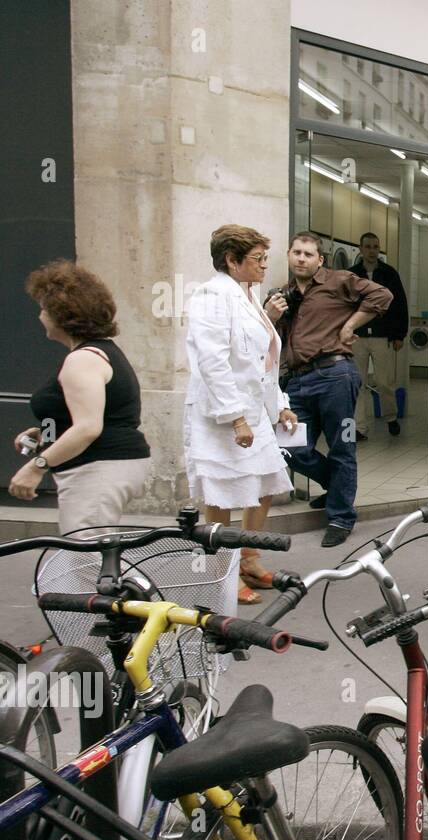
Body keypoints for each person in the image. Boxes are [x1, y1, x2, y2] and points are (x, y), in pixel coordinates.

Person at [184, 225, 299, 605]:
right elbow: (213, 360)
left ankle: (248, 558)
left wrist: (280, 404)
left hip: (254, 410)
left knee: (264, 483)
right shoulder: (213, 295)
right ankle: (222, 572)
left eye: (266, 258)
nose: (265, 265)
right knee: (221, 495)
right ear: (231, 261)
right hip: (223, 413)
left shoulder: (249, 296)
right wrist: (235, 417)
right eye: (257, 259)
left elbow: (264, 362)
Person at [265, 231, 392, 548]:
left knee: (341, 446)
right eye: (296, 252)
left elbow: (383, 297)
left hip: (335, 374)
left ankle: (340, 517)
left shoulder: (338, 280)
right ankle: (337, 489)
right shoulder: (283, 294)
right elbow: (270, 340)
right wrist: (271, 316)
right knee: (290, 448)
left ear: (319, 259)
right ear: (289, 255)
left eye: (308, 254)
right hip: (296, 379)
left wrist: (350, 325)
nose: (301, 259)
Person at [11, 261, 151, 534]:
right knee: (87, 560)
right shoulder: (98, 353)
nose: (40, 315)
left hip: (98, 469)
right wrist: (46, 433)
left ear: (60, 314)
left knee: (84, 561)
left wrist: (36, 466)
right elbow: (81, 416)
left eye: (43, 308)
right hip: (103, 466)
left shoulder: (83, 360)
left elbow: (88, 427)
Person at [347, 231, 409, 440]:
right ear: (361, 249)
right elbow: (345, 305)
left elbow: (400, 304)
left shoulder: (389, 273)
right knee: (359, 381)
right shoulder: (352, 274)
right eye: (368, 246)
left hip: (383, 335)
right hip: (358, 336)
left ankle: (391, 417)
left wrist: (399, 334)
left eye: (375, 247)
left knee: (384, 381)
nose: (372, 251)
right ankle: (360, 427)